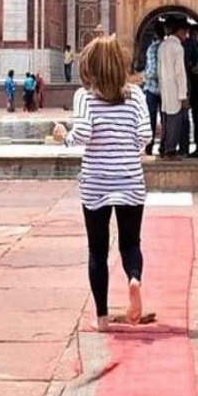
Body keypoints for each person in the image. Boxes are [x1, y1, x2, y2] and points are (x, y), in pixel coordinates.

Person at [52, 36, 154, 328]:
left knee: (97, 250)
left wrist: (64, 136)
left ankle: (102, 317)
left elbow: (82, 133)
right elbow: (145, 134)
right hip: (130, 179)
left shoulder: (85, 97)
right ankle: (134, 279)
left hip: (96, 181)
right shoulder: (135, 95)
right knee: (130, 243)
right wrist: (127, 150)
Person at [157, 17, 190, 158]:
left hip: (165, 88)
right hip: (175, 90)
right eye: (186, 33)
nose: (186, 36)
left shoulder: (162, 46)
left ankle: (163, 147)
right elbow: (180, 74)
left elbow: (159, 71)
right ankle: (170, 150)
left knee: (166, 120)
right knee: (175, 121)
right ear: (181, 31)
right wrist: (183, 95)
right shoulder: (177, 48)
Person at [141, 21, 163, 154]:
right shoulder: (167, 46)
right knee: (165, 118)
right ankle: (164, 146)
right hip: (165, 89)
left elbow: (152, 71)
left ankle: (149, 146)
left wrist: (142, 76)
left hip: (152, 89)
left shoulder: (153, 48)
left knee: (151, 118)